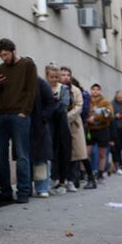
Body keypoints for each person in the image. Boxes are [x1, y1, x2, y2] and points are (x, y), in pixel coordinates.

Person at [0, 38, 37, 204]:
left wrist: (25, 112)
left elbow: (32, 90)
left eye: (5, 54)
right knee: (0, 156)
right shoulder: (1, 68)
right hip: (1, 115)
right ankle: (5, 192)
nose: (3, 58)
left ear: (13, 51)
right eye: (0, 55)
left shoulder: (27, 65)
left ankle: (24, 191)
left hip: (19, 115)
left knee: (22, 155)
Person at [60, 67, 97, 189]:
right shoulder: (56, 88)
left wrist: (65, 117)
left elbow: (79, 107)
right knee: (66, 154)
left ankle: (91, 178)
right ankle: (69, 180)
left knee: (81, 153)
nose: (65, 77)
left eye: (68, 75)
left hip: (75, 124)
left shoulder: (76, 90)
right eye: (63, 74)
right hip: (60, 125)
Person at [45, 63, 72, 194]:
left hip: (61, 124)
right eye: (52, 77)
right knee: (50, 152)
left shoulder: (64, 89)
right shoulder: (44, 88)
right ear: (47, 76)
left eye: (57, 77)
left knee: (63, 151)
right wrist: (54, 103)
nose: (55, 79)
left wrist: (51, 104)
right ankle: (50, 180)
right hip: (48, 124)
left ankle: (63, 180)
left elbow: (64, 105)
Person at [30, 75, 57, 197]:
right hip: (27, 123)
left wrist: (42, 118)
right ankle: (29, 187)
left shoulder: (40, 83)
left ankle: (42, 187)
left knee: (40, 158)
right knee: (27, 157)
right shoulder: (20, 81)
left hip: (39, 125)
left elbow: (50, 102)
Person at [87, 84, 114, 181]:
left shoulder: (105, 102)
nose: (95, 91)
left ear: (100, 91)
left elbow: (110, 115)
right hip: (90, 130)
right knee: (86, 153)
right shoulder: (87, 100)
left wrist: (95, 117)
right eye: (93, 89)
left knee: (102, 154)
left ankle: (100, 173)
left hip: (102, 130)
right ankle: (85, 173)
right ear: (90, 90)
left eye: (97, 89)